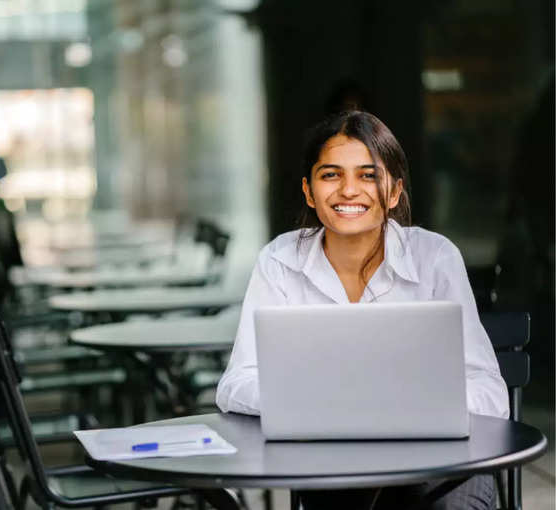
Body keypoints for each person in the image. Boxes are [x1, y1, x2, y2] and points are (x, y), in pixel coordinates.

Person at [215, 111, 508, 509]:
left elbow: (490, 392)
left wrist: (415, 407)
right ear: (308, 190)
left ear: (394, 191)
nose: (348, 190)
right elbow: (236, 383)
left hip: (440, 464)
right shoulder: (279, 260)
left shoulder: (434, 258)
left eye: (368, 175)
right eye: (331, 175)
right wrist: (313, 402)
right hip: (331, 463)